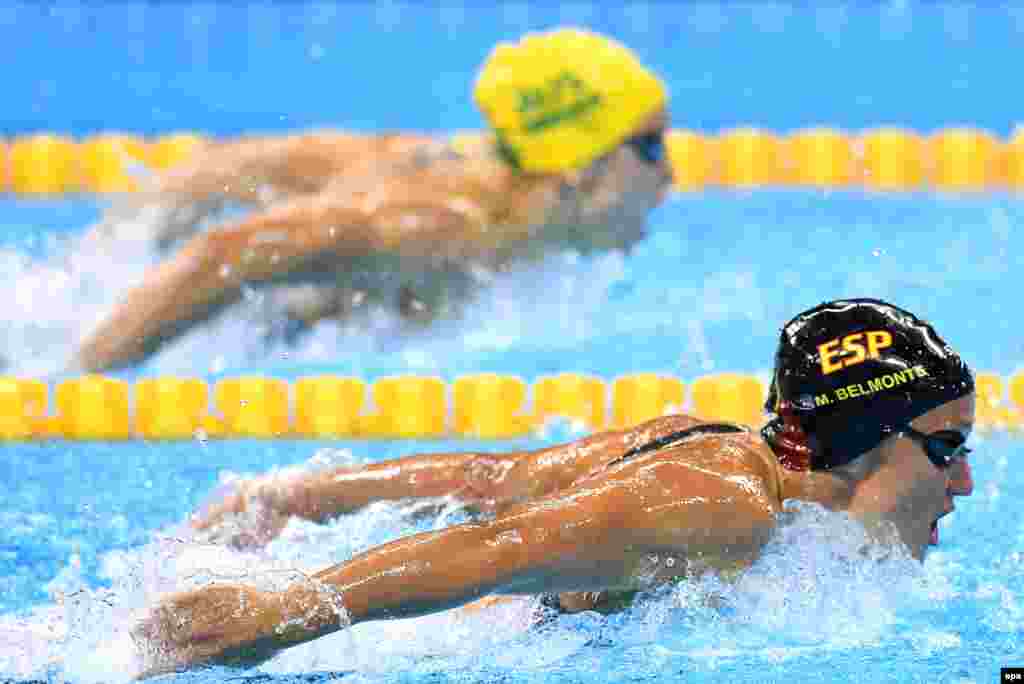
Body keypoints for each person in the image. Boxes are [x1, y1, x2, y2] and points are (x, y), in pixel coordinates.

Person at [131, 298, 976, 678]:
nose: (965, 482)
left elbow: (488, 481)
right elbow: (494, 547)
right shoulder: (721, 503)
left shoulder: (714, 447)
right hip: (410, 658)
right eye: (946, 448)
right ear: (864, 444)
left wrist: (286, 502)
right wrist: (278, 612)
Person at [70, 28, 673, 372]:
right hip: (245, 333)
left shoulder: (464, 177)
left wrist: (112, 243)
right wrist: (83, 381)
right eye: (649, 147)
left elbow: (234, 167)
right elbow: (227, 250)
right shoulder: (443, 225)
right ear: (578, 167)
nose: (669, 173)